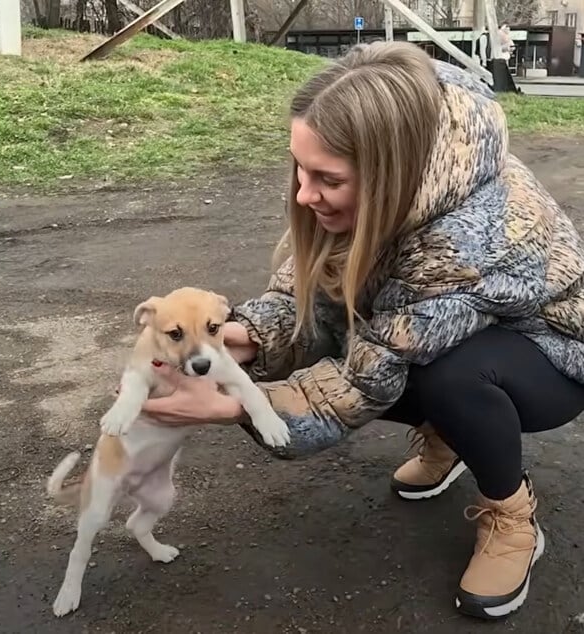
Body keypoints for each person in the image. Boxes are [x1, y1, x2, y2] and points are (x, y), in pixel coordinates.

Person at [140, 41, 584, 620]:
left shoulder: (468, 238)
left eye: (326, 178)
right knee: (376, 321)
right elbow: (308, 300)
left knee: (453, 377)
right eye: (300, 168)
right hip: (436, 326)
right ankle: (450, 435)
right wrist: (239, 338)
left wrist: (243, 407)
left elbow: (368, 375)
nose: (303, 193)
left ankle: (511, 514)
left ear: (387, 173)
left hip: (552, 352)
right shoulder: (384, 182)